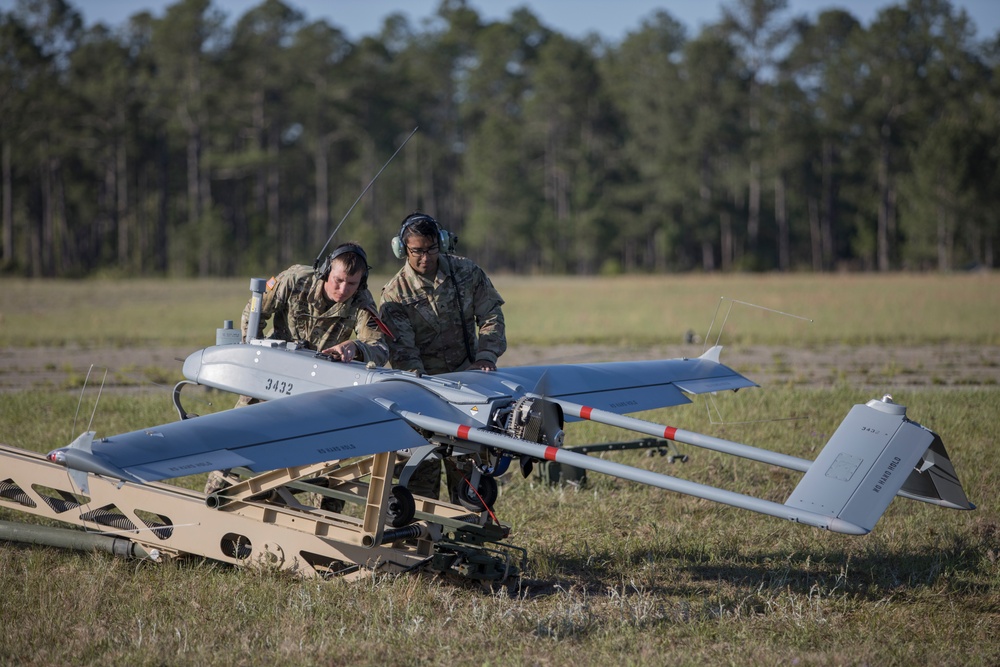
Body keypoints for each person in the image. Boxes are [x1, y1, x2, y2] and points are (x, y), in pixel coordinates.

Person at [204, 242, 391, 501]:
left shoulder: (361, 301)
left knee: (330, 453)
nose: (343, 289)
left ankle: (311, 516)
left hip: (318, 388)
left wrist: (355, 347)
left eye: (352, 284)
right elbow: (255, 310)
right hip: (270, 375)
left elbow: (379, 348)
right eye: (338, 281)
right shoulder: (295, 280)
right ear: (326, 271)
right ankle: (214, 499)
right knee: (237, 435)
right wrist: (255, 356)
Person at [379, 212, 507, 501]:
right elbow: (404, 356)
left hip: (470, 387)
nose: (426, 258)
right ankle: (423, 537)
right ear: (402, 250)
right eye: (417, 251)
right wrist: (426, 398)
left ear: (443, 244)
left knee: (472, 475)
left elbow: (491, 316)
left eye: (432, 249)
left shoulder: (467, 273)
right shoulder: (394, 296)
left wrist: (486, 356)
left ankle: (471, 531)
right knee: (421, 476)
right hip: (424, 394)